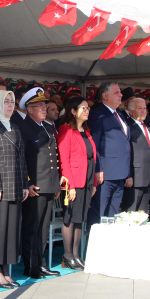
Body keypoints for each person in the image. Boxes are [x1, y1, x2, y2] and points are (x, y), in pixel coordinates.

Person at [0, 90, 29, 288]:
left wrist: (25, 184)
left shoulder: (14, 126)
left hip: (15, 185)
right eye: (6, 102)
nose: (10, 105)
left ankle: (5, 269)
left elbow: (22, 158)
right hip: (0, 188)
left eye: (12, 102)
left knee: (11, 230)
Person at [18, 88, 61, 279]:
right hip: (35, 185)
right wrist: (27, 182)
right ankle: (31, 266)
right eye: (40, 105)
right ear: (29, 109)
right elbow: (21, 158)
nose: (44, 108)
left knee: (43, 228)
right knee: (32, 228)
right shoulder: (23, 127)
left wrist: (56, 184)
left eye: (45, 105)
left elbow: (52, 158)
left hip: (48, 184)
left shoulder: (47, 127)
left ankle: (41, 263)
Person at [57, 96, 97, 270]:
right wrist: (70, 186)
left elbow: (92, 158)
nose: (87, 111)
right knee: (70, 218)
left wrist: (93, 182)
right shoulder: (66, 129)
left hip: (86, 179)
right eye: (83, 108)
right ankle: (67, 256)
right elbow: (64, 160)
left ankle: (76, 254)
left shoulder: (86, 131)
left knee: (80, 219)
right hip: (73, 180)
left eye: (88, 108)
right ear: (73, 111)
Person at [88, 81, 131, 226]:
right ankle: (95, 239)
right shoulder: (97, 114)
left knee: (113, 212)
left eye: (120, 92)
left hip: (120, 172)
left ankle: (109, 239)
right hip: (105, 173)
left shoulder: (119, 114)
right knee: (100, 211)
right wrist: (98, 169)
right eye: (116, 92)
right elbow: (95, 144)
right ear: (105, 96)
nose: (121, 95)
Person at [123, 97, 150, 212]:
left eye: (144, 108)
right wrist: (128, 175)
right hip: (135, 177)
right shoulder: (128, 127)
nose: (143, 111)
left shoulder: (146, 127)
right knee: (131, 211)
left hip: (147, 176)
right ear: (130, 111)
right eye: (139, 108)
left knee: (142, 212)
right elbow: (127, 152)